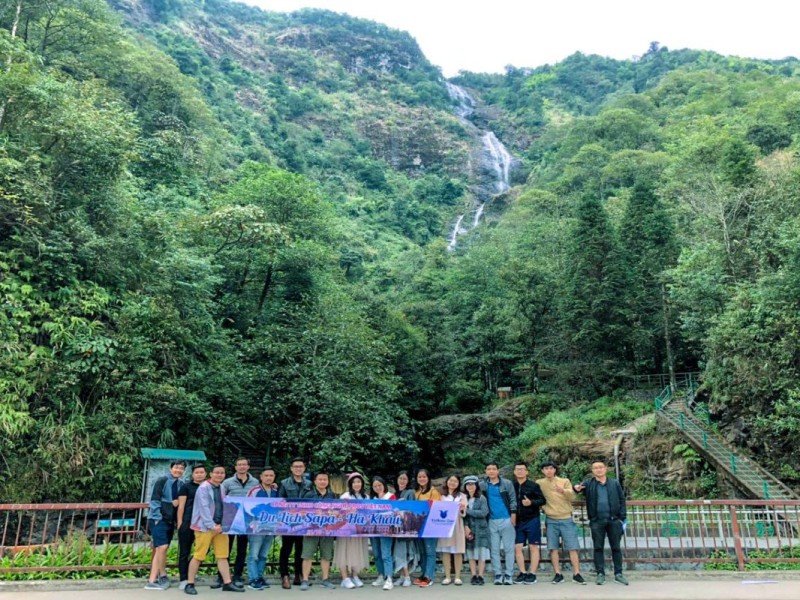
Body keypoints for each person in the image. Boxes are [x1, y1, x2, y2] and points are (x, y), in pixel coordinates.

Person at [184, 465, 243, 595]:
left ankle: (227, 583)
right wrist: (212, 526)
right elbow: (204, 508)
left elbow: (223, 506)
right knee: (199, 555)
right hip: (204, 527)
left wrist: (222, 525)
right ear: (211, 474)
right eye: (217, 472)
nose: (219, 475)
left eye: (222, 473)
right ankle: (190, 583)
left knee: (223, 556)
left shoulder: (221, 487)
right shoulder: (203, 488)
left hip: (220, 527)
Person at [574, 460, 628, 586]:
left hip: (614, 520)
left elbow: (622, 500)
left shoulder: (614, 483)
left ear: (605, 469)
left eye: (600, 467)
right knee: (598, 548)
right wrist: (575, 488)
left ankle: (618, 574)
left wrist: (622, 518)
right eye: (595, 468)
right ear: (592, 471)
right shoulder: (589, 484)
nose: (598, 470)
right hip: (597, 521)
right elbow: (578, 488)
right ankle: (600, 574)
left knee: (616, 548)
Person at [536, 461, 586, 585]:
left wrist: (563, 491)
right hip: (551, 519)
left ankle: (577, 573)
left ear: (555, 469)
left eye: (551, 468)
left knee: (572, 547)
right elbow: (536, 496)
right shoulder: (539, 483)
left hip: (566, 518)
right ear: (542, 471)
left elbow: (572, 497)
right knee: (553, 548)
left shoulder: (564, 481)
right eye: (546, 468)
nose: (548, 471)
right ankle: (558, 574)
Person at [145, 459, 186, 590]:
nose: (178, 470)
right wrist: (157, 517)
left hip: (170, 520)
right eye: (176, 467)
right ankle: (157, 577)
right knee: (162, 547)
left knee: (161, 548)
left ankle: (157, 578)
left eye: (181, 468)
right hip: (159, 519)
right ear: (171, 468)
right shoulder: (162, 480)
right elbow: (155, 499)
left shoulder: (181, 484)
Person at [218, 458, 259, 588]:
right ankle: (223, 577)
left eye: (244, 465)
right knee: (226, 549)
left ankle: (237, 576)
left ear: (248, 467)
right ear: (235, 467)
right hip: (229, 521)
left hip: (246, 521)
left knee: (242, 550)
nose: (242, 467)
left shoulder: (255, 482)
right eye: (239, 465)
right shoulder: (227, 482)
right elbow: (221, 498)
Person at [479, 462, 517, 586]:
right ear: (485, 471)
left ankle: (509, 574)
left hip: (506, 519)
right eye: (488, 469)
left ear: (498, 471)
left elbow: (512, 499)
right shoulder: (483, 485)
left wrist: (513, 515)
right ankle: (498, 574)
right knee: (494, 549)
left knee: (509, 549)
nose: (491, 471)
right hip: (491, 520)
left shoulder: (506, 483)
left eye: (493, 469)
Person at [299, 469, 337, 591]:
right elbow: (302, 511)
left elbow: (337, 512)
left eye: (325, 479)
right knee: (307, 555)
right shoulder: (308, 494)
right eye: (320, 479)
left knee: (326, 555)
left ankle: (325, 579)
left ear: (328, 481)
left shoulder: (332, 495)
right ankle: (305, 579)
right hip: (311, 530)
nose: (322, 481)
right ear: (315, 481)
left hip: (327, 530)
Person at [278, 457, 312, 589]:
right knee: (286, 549)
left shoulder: (309, 484)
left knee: (300, 550)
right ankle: (284, 576)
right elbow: (279, 502)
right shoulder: (284, 483)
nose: (298, 469)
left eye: (301, 466)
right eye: (295, 466)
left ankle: (298, 574)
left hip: (304, 522)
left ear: (304, 468)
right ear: (291, 469)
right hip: (288, 522)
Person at [512, 461, 546, 584]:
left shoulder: (533, 486)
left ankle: (532, 573)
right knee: (517, 547)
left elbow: (542, 500)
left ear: (527, 471)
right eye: (517, 469)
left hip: (532, 519)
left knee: (533, 546)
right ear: (514, 472)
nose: (520, 471)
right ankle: (522, 572)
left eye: (522, 469)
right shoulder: (512, 486)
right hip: (518, 521)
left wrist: (531, 502)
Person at [246, 466, 279, 590]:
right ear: (261, 477)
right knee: (253, 554)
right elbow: (247, 507)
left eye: (271, 475)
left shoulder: (276, 491)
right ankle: (252, 579)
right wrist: (251, 524)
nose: (269, 478)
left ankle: (259, 577)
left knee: (263, 555)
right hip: (257, 528)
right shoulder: (254, 491)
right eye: (266, 475)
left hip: (271, 528)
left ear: (274, 477)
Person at [336, 472, 370, 589]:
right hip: (346, 530)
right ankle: (345, 578)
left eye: (359, 482)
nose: (357, 484)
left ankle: (355, 576)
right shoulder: (345, 496)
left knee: (357, 552)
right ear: (350, 484)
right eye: (354, 482)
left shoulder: (366, 497)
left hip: (359, 530)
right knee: (344, 552)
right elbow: (340, 514)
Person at [177, 464, 207, 591]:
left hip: (203, 524)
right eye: (197, 472)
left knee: (201, 551)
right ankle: (184, 579)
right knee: (185, 551)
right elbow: (181, 506)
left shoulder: (208, 487)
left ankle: (191, 574)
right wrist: (180, 523)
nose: (199, 474)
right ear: (192, 474)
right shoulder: (186, 487)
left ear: (206, 474)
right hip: (188, 522)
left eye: (202, 472)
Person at [437, 474, 467, 586]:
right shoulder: (441, 495)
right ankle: (448, 576)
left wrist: (462, 509)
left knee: (457, 551)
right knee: (446, 551)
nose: (453, 483)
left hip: (457, 525)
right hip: (444, 526)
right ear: (447, 481)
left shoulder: (462, 495)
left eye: (455, 481)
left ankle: (458, 577)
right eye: (451, 480)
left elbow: (464, 513)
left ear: (459, 483)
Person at [413, 468, 441, 588]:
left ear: (428, 478)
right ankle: (424, 574)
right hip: (418, 526)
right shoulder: (416, 492)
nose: (422, 479)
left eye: (424, 477)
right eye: (419, 477)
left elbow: (437, 509)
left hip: (430, 526)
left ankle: (429, 576)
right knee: (422, 552)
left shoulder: (434, 492)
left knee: (430, 552)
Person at [370, 476, 397, 590]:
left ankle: (389, 578)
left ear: (384, 485)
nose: (377, 488)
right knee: (377, 554)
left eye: (379, 485)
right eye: (375, 486)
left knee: (386, 554)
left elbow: (395, 512)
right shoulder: (372, 499)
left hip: (386, 529)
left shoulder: (391, 496)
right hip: (374, 529)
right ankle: (381, 575)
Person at [462, 475, 489, 586]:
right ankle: (474, 575)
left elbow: (483, 513)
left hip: (481, 528)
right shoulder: (463, 499)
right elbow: (461, 515)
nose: (470, 486)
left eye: (472, 484)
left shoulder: (482, 498)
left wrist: (467, 510)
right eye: (468, 484)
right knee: (471, 552)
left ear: (477, 485)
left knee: (482, 552)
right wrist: (465, 526)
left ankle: (481, 575)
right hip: (469, 529)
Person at [392, 471, 417, 587]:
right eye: (400, 478)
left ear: (408, 481)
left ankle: (407, 577)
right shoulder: (395, 493)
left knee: (404, 552)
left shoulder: (410, 492)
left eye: (404, 479)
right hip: (395, 528)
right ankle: (402, 576)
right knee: (399, 552)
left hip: (406, 527)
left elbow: (412, 508)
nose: (402, 481)